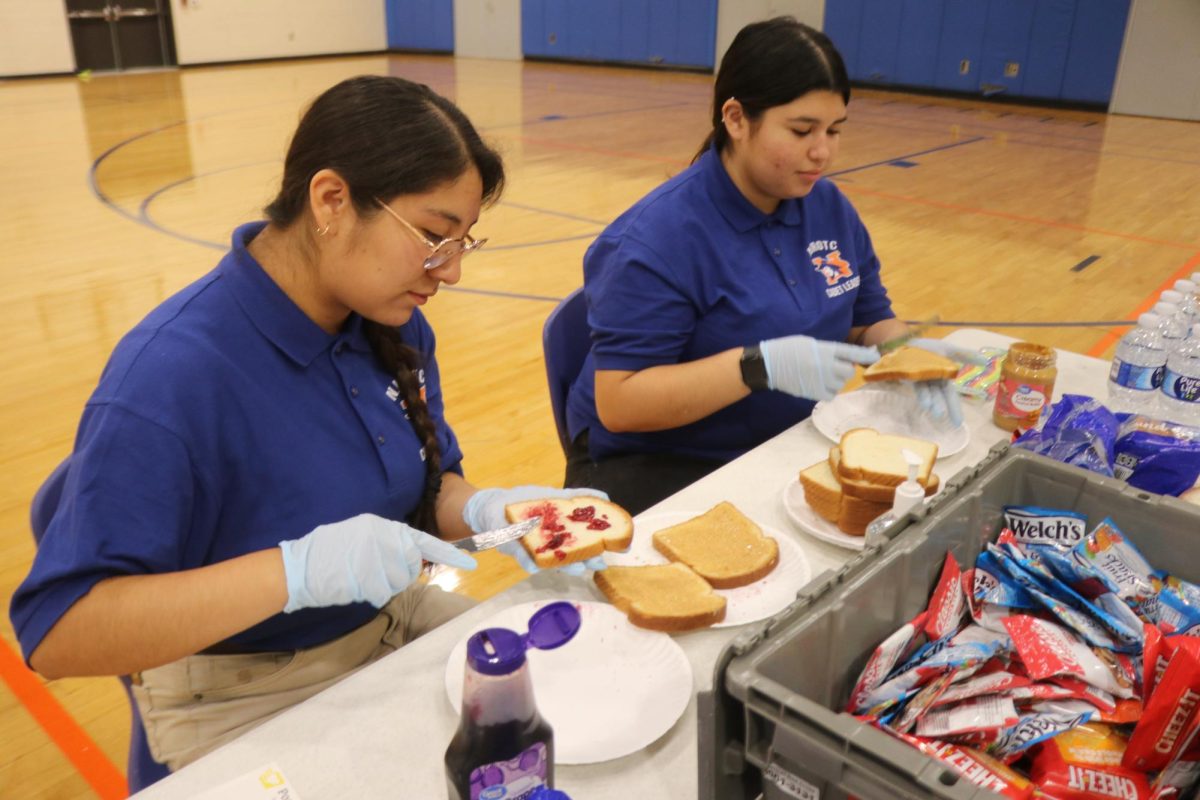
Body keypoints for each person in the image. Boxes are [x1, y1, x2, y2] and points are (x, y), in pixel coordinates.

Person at [10, 75, 601, 784]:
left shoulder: (389, 320)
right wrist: (295, 574)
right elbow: (60, 631)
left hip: (383, 622)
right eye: (435, 237)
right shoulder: (173, 374)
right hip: (245, 681)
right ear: (331, 201)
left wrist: (486, 509)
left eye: (464, 241)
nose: (452, 270)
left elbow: (426, 484)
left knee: (560, 729)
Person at [563, 17, 979, 514]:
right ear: (736, 119)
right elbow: (622, 403)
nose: (822, 151)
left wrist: (906, 355)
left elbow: (867, 318)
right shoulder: (657, 239)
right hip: (658, 464)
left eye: (834, 130)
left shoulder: (827, 206)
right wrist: (758, 365)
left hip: (781, 445)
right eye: (802, 130)